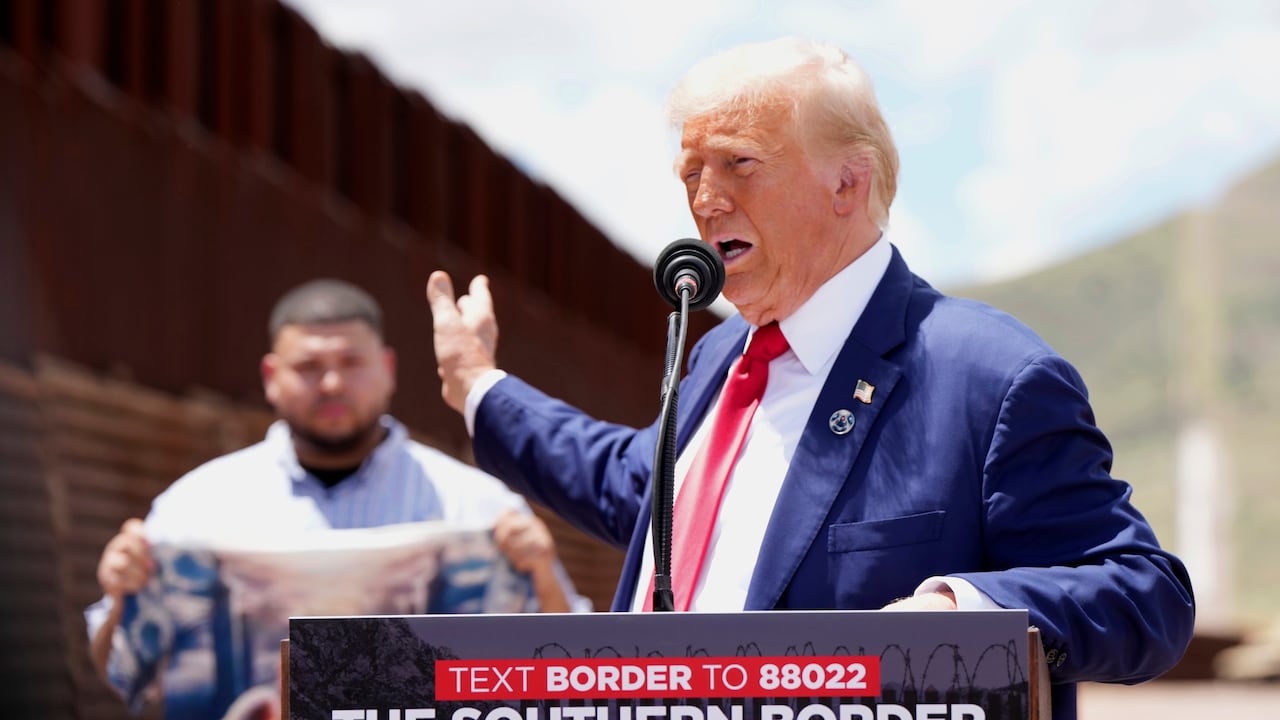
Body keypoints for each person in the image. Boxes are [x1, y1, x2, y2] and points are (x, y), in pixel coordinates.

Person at [426, 37, 1195, 720]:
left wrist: (964, 606)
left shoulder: (988, 376)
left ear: (847, 186)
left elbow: (1144, 595)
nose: (704, 199)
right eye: (691, 172)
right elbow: (637, 486)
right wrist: (481, 387)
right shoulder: (716, 359)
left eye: (739, 163)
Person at [87, 278, 588, 719]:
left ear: (388, 369)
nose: (332, 383)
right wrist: (121, 597)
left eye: (351, 362)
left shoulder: (476, 504)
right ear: (270, 377)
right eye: (309, 365)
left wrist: (542, 574)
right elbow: (121, 673)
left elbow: (569, 672)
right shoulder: (196, 506)